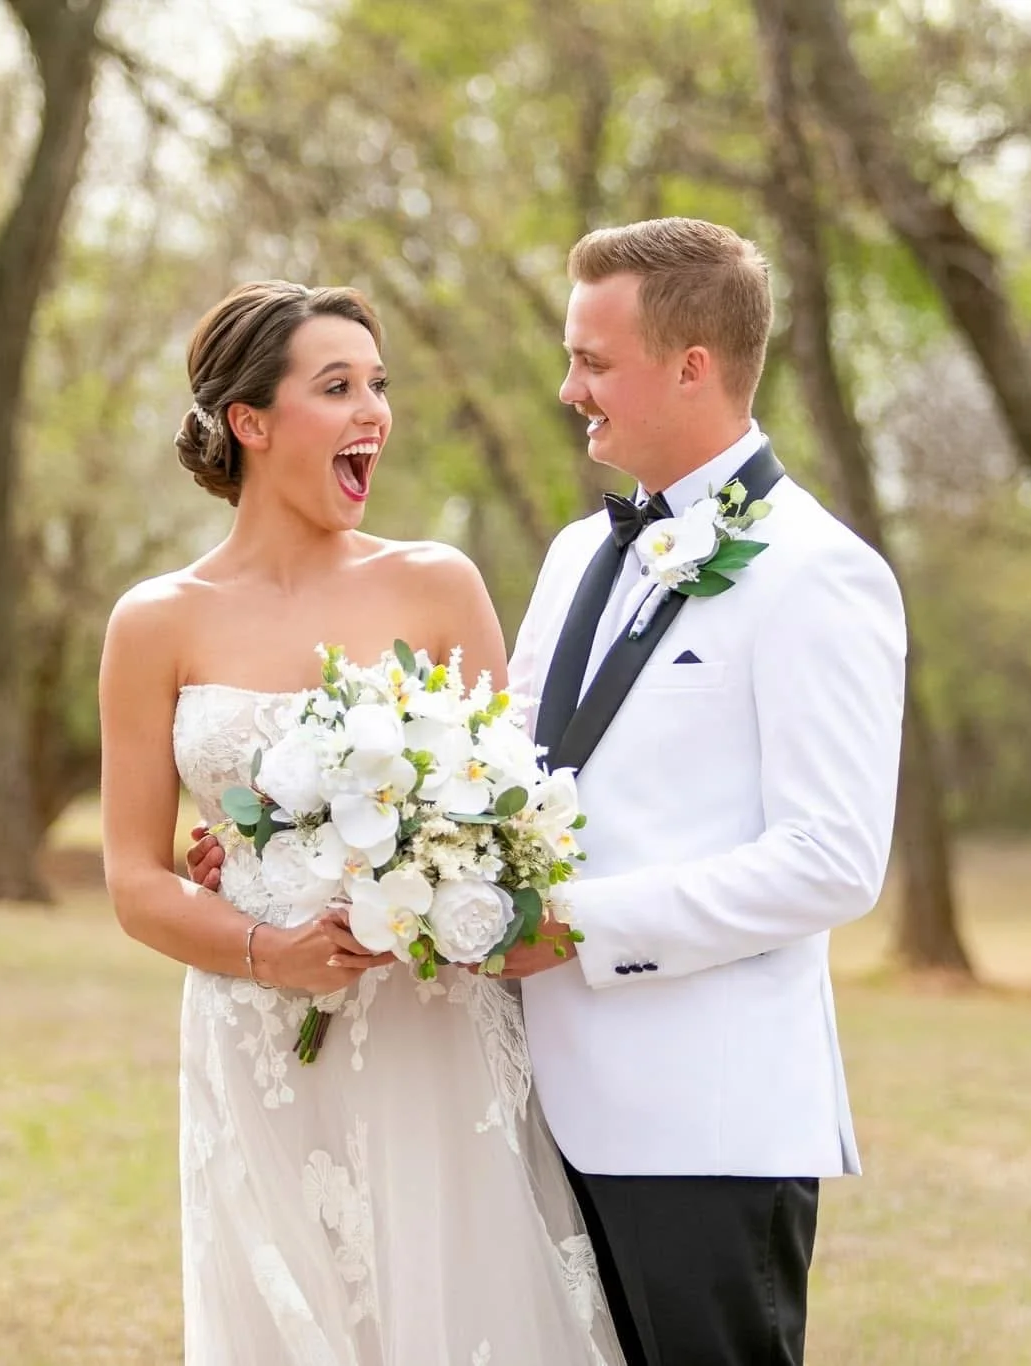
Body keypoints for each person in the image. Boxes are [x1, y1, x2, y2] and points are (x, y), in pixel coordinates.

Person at [189, 219, 907, 1366]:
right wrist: (298, 843)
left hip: (699, 1124)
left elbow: (829, 860)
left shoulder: (820, 574)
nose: (566, 386)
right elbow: (488, 779)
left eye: (591, 360)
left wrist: (579, 926)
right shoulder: (581, 552)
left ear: (691, 366)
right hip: (526, 1104)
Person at [98, 280, 623, 1365]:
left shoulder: (436, 584)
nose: (372, 410)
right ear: (249, 421)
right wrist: (266, 950)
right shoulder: (154, 622)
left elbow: (510, 818)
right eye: (335, 387)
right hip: (257, 1044)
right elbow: (135, 881)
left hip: (429, 1029)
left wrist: (446, 892)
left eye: (377, 384)